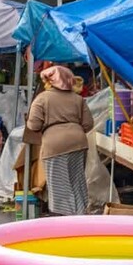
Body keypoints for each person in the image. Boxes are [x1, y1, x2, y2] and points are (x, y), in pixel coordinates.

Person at [25, 66, 94, 216]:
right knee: (77, 184)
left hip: (54, 145)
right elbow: (88, 124)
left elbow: (33, 125)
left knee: (60, 187)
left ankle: (65, 220)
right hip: (78, 143)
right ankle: (80, 217)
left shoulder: (42, 98)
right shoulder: (78, 99)